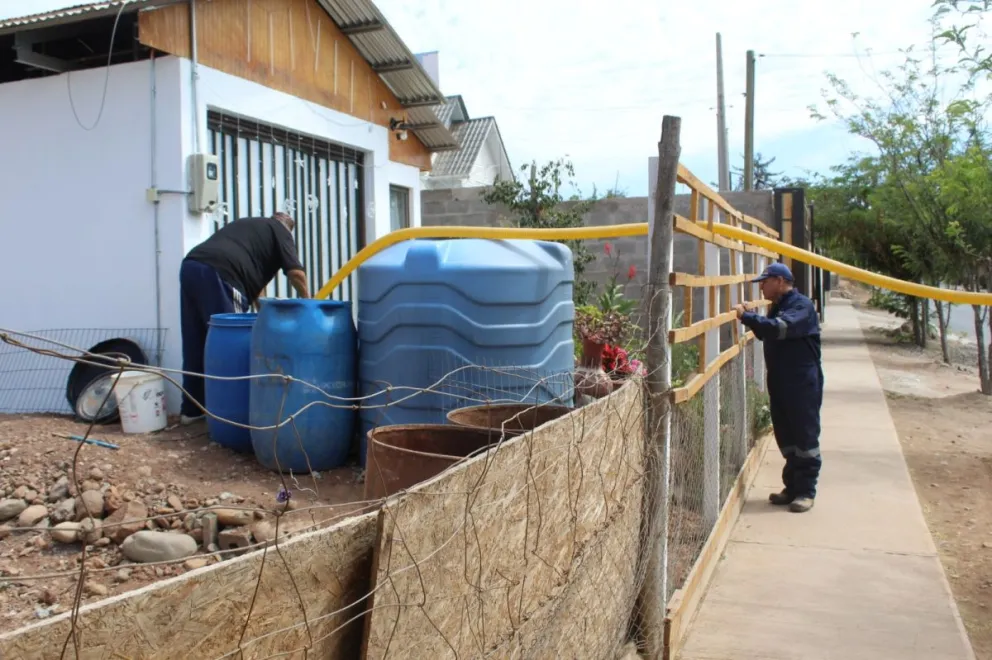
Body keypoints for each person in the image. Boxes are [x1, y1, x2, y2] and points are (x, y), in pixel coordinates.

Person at [178, 212, 310, 424]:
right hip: (222, 274)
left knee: (197, 341)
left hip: (192, 266)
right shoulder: (281, 231)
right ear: (289, 229)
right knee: (233, 346)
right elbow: (296, 273)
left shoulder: (251, 228)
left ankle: (191, 411)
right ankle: (231, 416)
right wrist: (309, 304)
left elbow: (256, 286)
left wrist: (262, 313)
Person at [735, 262, 823, 513]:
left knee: (804, 436)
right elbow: (767, 333)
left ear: (781, 282)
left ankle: (806, 491)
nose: (761, 286)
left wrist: (746, 316)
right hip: (782, 382)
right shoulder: (779, 307)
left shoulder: (801, 306)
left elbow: (780, 329)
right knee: (787, 436)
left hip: (802, 384)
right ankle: (792, 488)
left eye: (766, 281)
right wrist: (752, 320)